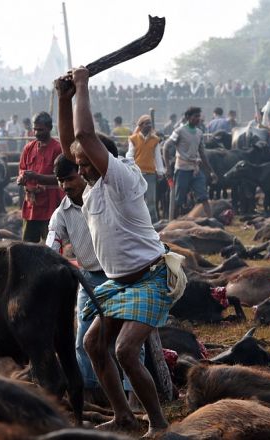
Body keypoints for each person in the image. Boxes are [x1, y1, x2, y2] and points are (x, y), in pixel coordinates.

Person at [56, 67, 185, 437]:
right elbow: (72, 145)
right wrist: (64, 100)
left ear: (103, 160)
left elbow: (82, 136)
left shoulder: (122, 179)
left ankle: (158, 424)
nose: (78, 169)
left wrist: (82, 86)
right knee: (94, 343)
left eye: (84, 164)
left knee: (127, 350)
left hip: (150, 279)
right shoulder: (92, 186)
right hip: (116, 284)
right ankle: (123, 416)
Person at [47, 153, 144, 407]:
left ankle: (134, 396)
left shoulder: (106, 198)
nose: (65, 186)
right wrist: (48, 261)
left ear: (82, 173)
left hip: (121, 275)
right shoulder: (62, 212)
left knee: (129, 341)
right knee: (82, 341)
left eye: (69, 178)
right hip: (89, 278)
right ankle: (92, 392)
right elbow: (52, 243)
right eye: (60, 181)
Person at [17, 111, 63, 243]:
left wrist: (37, 177)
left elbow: (60, 177)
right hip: (32, 204)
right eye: (35, 129)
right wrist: (22, 178)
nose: (37, 133)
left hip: (51, 204)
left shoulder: (57, 149)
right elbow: (22, 170)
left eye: (40, 130)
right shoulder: (28, 148)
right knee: (27, 245)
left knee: (52, 245)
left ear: (49, 128)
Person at [164, 107, 218, 218]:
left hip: (195, 170)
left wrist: (211, 171)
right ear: (188, 117)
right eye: (195, 116)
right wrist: (168, 168)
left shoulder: (199, 133)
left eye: (199, 116)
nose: (198, 119)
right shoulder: (179, 131)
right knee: (179, 200)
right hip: (182, 169)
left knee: (203, 197)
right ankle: (174, 223)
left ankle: (212, 221)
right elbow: (165, 147)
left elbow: (202, 153)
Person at [126, 115, 164, 222]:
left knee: (151, 200)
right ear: (141, 125)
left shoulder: (155, 140)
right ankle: (137, 221)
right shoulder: (133, 139)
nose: (149, 125)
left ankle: (153, 222)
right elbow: (130, 155)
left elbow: (157, 157)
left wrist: (160, 171)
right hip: (137, 173)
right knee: (137, 199)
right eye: (146, 123)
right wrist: (130, 168)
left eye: (150, 123)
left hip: (150, 173)